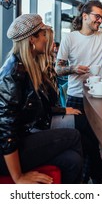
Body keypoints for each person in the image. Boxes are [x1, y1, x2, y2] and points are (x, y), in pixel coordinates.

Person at [0, 14, 83, 184]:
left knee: (72, 160)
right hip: (5, 153)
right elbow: (6, 129)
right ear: (32, 39)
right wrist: (18, 177)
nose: (46, 39)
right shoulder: (14, 73)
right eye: (43, 35)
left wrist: (61, 110)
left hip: (23, 138)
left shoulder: (28, 66)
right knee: (74, 135)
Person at [56, 0, 102, 182]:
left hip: (99, 96)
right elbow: (57, 69)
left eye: (101, 17)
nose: (100, 20)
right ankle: (94, 174)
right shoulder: (70, 38)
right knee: (85, 141)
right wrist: (73, 69)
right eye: (97, 16)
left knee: (95, 138)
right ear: (85, 16)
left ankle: (93, 176)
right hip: (76, 97)